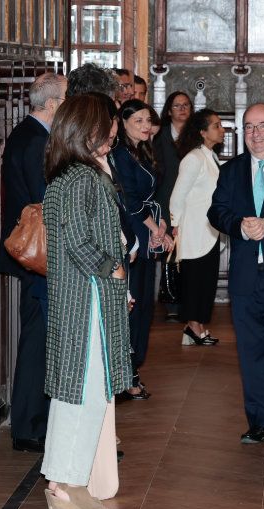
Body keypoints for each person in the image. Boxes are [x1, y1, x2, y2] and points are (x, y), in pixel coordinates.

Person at [40, 94, 131, 509]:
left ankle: (65, 483)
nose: (113, 136)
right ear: (85, 129)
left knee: (77, 394)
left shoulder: (69, 175)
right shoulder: (81, 177)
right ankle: (64, 485)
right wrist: (112, 268)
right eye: (107, 130)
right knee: (83, 395)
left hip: (81, 300)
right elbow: (78, 239)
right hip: (86, 301)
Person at [208, 103, 264, 443]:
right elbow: (217, 211)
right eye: (248, 127)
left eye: (262, 126)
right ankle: (260, 421)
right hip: (245, 275)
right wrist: (240, 226)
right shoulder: (232, 170)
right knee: (251, 350)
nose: (256, 134)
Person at [0, 72, 67, 453]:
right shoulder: (36, 140)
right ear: (53, 103)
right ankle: (28, 426)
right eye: (66, 100)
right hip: (37, 253)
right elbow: (45, 200)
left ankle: (34, 421)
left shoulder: (31, 134)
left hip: (36, 252)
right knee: (37, 340)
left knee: (40, 338)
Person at [113, 99, 172, 400]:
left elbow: (152, 195)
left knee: (144, 305)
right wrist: (154, 228)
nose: (146, 125)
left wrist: (161, 227)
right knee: (132, 305)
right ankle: (126, 374)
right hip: (133, 233)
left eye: (148, 120)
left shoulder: (143, 150)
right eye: (138, 120)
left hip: (147, 230)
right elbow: (131, 199)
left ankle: (132, 369)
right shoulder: (120, 154)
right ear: (122, 123)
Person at [171, 109, 225, 345]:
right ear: (202, 132)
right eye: (216, 126)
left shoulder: (209, 156)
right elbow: (177, 196)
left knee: (206, 280)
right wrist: (174, 227)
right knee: (195, 280)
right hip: (193, 230)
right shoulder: (193, 158)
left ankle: (196, 326)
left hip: (209, 230)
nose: (221, 129)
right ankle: (193, 327)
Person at [153, 91, 192, 322]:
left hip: (191, 200)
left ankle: (189, 300)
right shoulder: (160, 136)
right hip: (166, 197)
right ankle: (171, 304)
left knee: (189, 252)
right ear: (169, 111)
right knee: (171, 252)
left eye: (186, 105)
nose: (182, 109)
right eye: (177, 106)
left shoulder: (196, 135)